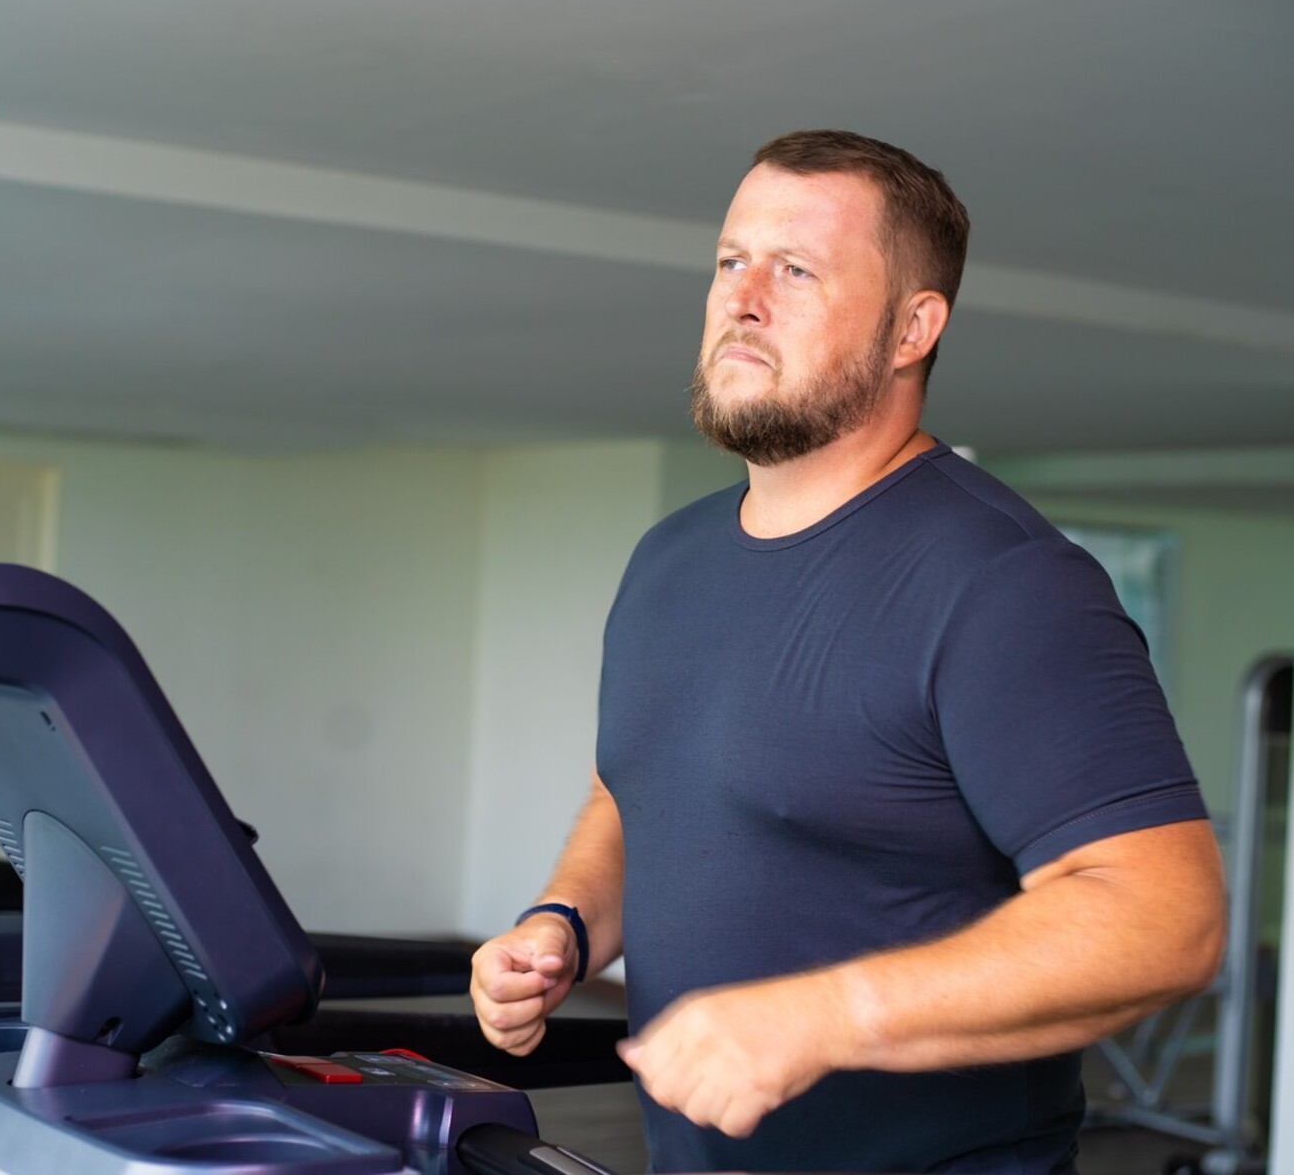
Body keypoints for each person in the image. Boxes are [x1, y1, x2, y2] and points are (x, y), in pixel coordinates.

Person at [469, 129, 1226, 1174]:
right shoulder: (669, 560)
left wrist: (823, 1018)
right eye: (730, 261)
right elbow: (633, 790)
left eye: (796, 270)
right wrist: (563, 924)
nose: (742, 299)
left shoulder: (1003, 582)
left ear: (913, 327)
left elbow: (1165, 920)